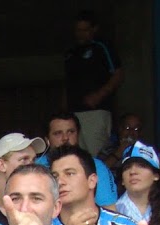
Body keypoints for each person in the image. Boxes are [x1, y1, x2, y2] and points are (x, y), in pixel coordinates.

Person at [64, 10, 123, 156]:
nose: (81, 34)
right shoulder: (71, 53)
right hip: (74, 112)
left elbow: (118, 74)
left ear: (94, 29)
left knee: (97, 155)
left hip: (96, 112)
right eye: (78, 30)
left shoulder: (101, 47)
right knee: (77, 155)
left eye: (85, 30)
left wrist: (99, 95)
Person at [37, 112, 118, 206]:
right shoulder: (35, 167)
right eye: (58, 133)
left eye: (71, 132)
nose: (65, 138)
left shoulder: (96, 165)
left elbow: (109, 209)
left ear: (78, 135)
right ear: (47, 140)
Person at [0, 134, 45, 225]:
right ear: (1, 165)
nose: (32, 166)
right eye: (24, 159)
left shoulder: (44, 202)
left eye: (33, 160)